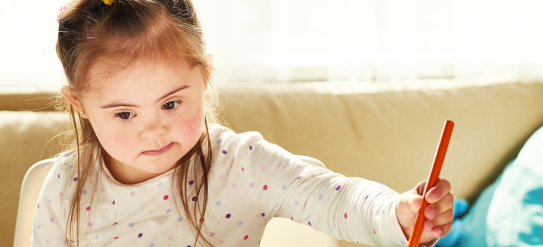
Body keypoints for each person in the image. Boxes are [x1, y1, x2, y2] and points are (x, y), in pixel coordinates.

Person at [32, 0, 454, 246]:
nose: (154, 130)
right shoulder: (66, 186)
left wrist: (397, 213)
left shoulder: (241, 165)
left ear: (205, 78)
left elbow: (334, 197)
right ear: (80, 104)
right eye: (125, 114)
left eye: (172, 104)